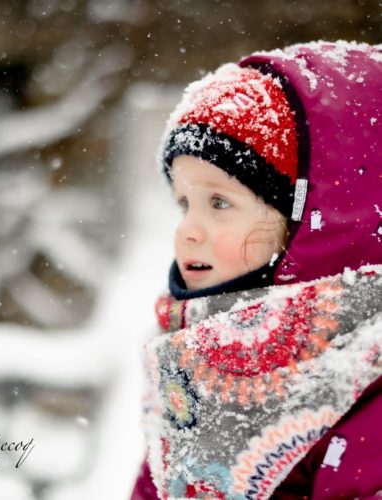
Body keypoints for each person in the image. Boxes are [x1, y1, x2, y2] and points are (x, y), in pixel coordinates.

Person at [131, 40, 382, 499]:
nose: (186, 231)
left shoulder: (367, 399)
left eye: (219, 202)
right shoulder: (192, 372)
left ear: (306, 223)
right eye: (184, 204)